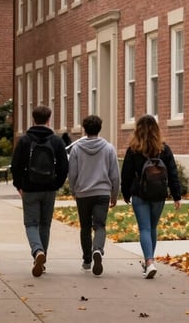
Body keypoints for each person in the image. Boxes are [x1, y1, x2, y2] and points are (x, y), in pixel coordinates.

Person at [120, 114, 182, 279]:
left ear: (138, 130)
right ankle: (150, 261)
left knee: (144, 229)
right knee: (152, 228)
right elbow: (173, 173)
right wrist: (177, 195)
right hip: (159, 195)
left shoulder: (134, 150)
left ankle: (149, 262)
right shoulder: (164, 149)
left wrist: (125, 193)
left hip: (140, 194)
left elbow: (125, 174)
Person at [11, 105, 69, 277]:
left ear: (33, 119)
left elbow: (16, 166)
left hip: (29, 187)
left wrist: (19, 184)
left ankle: (37, 252)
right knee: (45, 224)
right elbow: (64, 167)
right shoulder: (56, 141)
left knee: (31, 224)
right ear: (49, 119)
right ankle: (42, 259)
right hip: (49, 188)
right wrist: (56, 184)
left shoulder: (25, 140)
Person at [67, 115, 120, 276]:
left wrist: (73, 190)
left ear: (84, 129)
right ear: (99, 129)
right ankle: (98, 249)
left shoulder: (76, 149)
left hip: (83, 193)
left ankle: (87, 260)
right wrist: (114, 194)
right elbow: (115, 175)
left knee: (85, 227)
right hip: (102, 192)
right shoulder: (109, 148)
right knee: (100, 225)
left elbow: (72, 173)